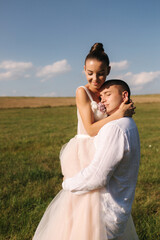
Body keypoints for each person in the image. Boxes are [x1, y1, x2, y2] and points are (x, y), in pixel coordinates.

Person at [32, 43, 134, 240]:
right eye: (90, 73)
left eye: (101, 74)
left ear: (109, 71)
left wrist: (121, 108)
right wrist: (120, 113)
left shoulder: (105, 92)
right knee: (85, 199)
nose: (95, 79)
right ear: (84, 71)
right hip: (84, 149)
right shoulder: (82, 92)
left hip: (101, 147)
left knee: (103, 200)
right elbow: (90, 128)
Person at [63, 79, 140, 240]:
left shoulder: (115, 128)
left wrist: (67, 183)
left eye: (108, 94)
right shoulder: (129, 123)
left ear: (124, 96)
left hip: (106, 212)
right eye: (100, 96)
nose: (102, 100)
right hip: (119, 207)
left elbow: (97, 176)